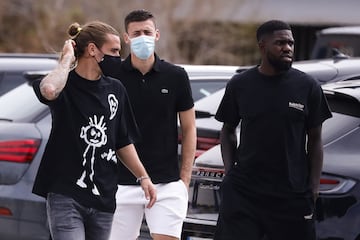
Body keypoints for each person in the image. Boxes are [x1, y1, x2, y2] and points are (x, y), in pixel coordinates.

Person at [32, 21, 156, 240]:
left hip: (104, 197)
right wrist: (67, 59)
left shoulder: (116, 89)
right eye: (114, 51)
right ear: (92, 50)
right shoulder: (65, 85)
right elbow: (49, 90)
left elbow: (122, 140)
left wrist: (143, 177)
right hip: (66, 193)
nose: (118, 57)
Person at [213, 20, 332, 240]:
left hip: (291, 195)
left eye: (291, 43)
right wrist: (230, 173)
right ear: (262, 46)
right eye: (280, 43)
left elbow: (315, 140)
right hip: (245, 193)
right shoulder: (241, 84)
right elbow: (227, 130)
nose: (287, 48)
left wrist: (313, 188)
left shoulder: (308, 86)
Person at [99, 9, 196, 240]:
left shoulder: (176, 76)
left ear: (157, 35)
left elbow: (189, 127)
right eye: (136, 33)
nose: (143, 37)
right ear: (126, 38)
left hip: (167, 182)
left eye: (147, 32)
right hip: (120, 183)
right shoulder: (112, 74)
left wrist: (184, 180)